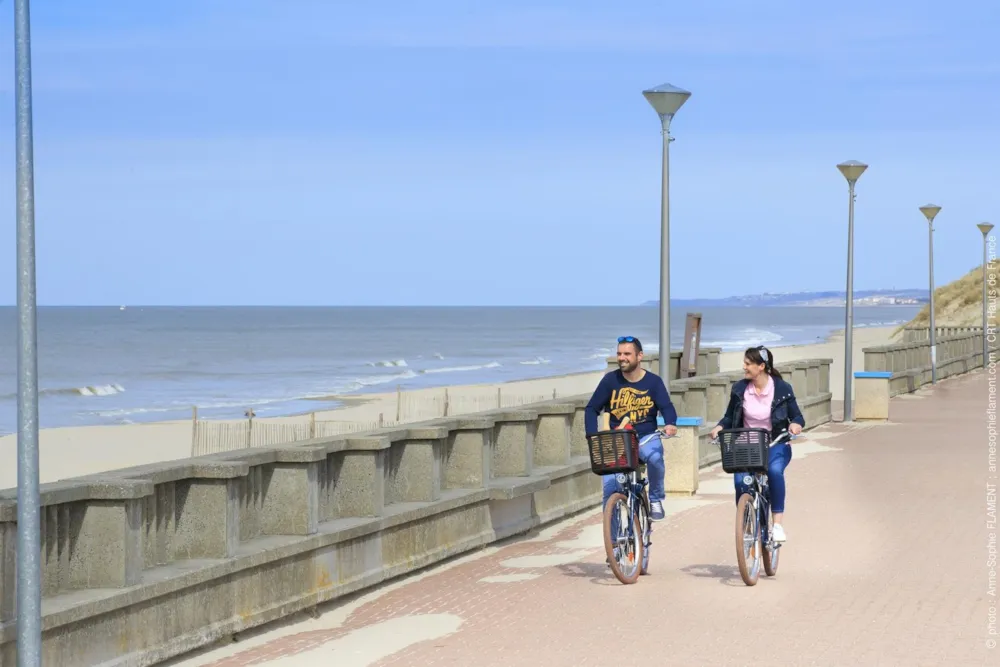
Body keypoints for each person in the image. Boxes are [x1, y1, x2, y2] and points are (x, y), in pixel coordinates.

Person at [710, 345, 804, 542]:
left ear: (761, 366)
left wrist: (795, 424)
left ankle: (777, 524)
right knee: (740, 482)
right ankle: (746, 523)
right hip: (746, 445)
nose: (744, 367)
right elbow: (729, 417)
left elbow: (797, 416)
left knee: (775, 472)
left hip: (775, 443)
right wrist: (720, 427)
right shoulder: (739, 389)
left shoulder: (782, 389)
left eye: (748, 363)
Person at [585, 336, 678, 521]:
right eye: (619, 353)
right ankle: (614, 543)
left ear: (639, 356)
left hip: (645, 437)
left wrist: (670, 423)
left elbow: (666, 406)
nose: (622, 358)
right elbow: (592, 408)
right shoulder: (610, 381)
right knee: (610, 489)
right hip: (617, 441)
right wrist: (592, 435)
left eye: (627, 353)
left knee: (655, 459)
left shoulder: (653, 382)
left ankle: (655, 499)